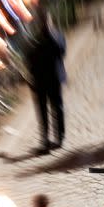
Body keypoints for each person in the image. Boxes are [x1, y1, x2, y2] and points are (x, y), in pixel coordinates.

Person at [27, 14, 67, 150]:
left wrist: (51, 34)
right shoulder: (36, 40)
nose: (43, 26)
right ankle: (45, 140)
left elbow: (61, 51)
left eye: (46, 22)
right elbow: (29, 59)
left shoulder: (57, 36)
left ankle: (59, 138)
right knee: (43, 112)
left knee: (57, 108)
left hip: (54, 79)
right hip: (40, 81)